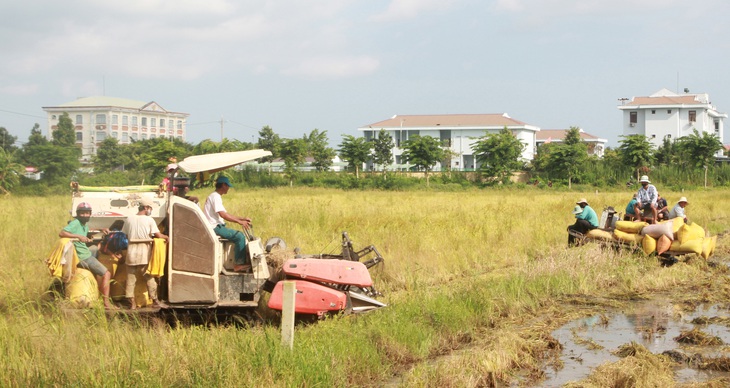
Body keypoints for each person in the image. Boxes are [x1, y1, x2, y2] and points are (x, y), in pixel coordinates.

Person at [59, 202, 116, 310]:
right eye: (82, 213)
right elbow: (62, 233)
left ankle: (99, 291)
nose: (85, 215)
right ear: (78, 214)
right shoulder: (75, 223)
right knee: (107, 274)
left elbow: (87, 232)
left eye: (87, 213)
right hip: (83, 257)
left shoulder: (83, 225)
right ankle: (106, 303)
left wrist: (100, 229)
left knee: (96, 248)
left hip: (86, 252)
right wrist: (78, 236)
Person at [121, 198, 168, 309]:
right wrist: (166, 237)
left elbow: (126, 235)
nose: (150, 210)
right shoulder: (149, 220)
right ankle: (155, 301)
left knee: (130, 280)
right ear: (146, 208)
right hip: (143, 254)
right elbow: (158, 235)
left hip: (131, 254)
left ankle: (131, 303)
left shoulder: (129, 219)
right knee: (149, 278)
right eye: (150, 208)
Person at [204, 176, 252, 272]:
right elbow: (223, 215)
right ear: (223, 185)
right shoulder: (215, 197)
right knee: (240, 236)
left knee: (239, 235)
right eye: (228, 186)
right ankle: (238, 264)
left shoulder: (215, 196)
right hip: (215, 227)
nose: (228, 188)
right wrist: (239, 222)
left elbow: (225, 214)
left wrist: (242, 219)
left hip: (216, 225)